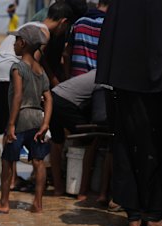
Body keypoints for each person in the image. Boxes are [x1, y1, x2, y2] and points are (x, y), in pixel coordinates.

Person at [96, 0, 162, 226]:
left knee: (126, 144)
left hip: (124, 81)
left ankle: (133, 217)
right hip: (159, 82)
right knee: (159, 147)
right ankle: (154, 216)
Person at [0, 0, 77, 191]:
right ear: (63, 22)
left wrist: (54, 81)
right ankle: (16, 179)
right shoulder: (42, 33)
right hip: (9, 73)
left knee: (8, 127)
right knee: (17, 125)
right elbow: (33, 62)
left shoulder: (30, 25)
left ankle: (12, 178)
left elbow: (42, 61)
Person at [0, 25, 52, 214]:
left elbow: (17, 96)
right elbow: (49, 98)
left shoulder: (17, 67)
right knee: (38, 162)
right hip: (37, 118)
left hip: (21, 118)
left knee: (7, 161)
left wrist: (11, 124)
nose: (13, 44)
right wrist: (45, 123)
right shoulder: (40, 70)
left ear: (23, 43)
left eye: (16, 41)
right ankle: (38, 204)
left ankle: (4, 203)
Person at [49, 0, 108, 198]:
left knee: (57, 141)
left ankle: (59, 187)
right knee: (92, 139)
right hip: (79, 96)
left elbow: (66, 54)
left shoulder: (79, 24)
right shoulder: (111, 24)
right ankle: (83, 191)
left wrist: (64, 78)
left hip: (59, 92)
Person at [64, 0, 109, 78]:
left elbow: (66, 53)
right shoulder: (110, 26)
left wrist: (67, 77)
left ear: (98, 5)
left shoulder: (80, 23)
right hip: (100, 80)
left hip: (77, 79)